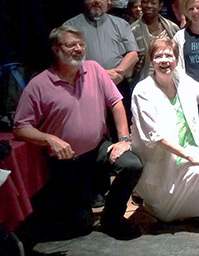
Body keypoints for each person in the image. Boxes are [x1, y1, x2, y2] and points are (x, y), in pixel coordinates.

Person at [13, 26, 142, 247]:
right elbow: (21, 127)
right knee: (79, 227)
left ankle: (112, 219)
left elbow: (116, 103)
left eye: (81, 44)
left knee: (131, 165)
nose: (79, 49)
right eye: (71, 44)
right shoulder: (39, 85)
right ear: (56, 49)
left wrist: (124, 139)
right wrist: (49, 139)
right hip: (66, 161)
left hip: (99, 147)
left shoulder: (94, 69)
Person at [131, 37, 199, 222]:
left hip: (189, 149)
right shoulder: (143, 90)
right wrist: (189, 155)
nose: (164, 60)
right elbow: (155, 136)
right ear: (152, 61)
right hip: (162, 156)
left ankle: (194, 213)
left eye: (169, 55)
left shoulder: (180, 79)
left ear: (176, 60)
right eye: (158, 56)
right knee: (165, 212)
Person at [63, 0, 139, 116]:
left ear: (108, 2)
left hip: (117, 85)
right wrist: (101, 75)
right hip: (84, 86)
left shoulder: (121, 24)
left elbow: (133, 54)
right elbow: (66, 60)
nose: (97, 1)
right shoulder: (71, 27)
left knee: (121, 126)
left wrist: (118, 73)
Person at [130, 0, 180, 85]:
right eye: (145, 2)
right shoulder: (133, 30)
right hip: (143, 81)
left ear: (160, 5)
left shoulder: (172, 28)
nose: (149, 6)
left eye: (153, 3)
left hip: (170, 80)